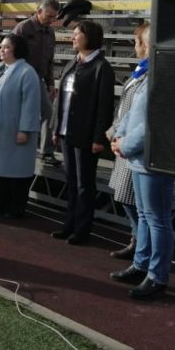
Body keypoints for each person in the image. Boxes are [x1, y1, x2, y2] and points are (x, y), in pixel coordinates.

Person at [109, 43, 175, 299]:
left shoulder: (163, 78)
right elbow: (132, 114)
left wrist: (125, 144)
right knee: (145, 216)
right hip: (138, 157)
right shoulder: (147, 75)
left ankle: (157, 276)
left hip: (153, 158)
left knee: (157, 219)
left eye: (140, 42)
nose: (137, 47)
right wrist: (118, 136)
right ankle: (141, 264)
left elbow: (152, 123)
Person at [50, 20, 115, 244]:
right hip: (67, 132)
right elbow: (61, 99)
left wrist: (99, 138)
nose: (73, 37)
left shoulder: (101, 67)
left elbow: (105, 106)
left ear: (89, 37)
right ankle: (69, 225)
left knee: (84, 184)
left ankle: (82, 229)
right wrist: (56, 127)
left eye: (77, 34)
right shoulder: (73, 62)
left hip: (86, 136)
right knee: (71, 181)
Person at [0, 34, 41, 218]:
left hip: (16, 131)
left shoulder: (27, 72)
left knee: (17, 171)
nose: (1, 50)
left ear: (17, 50)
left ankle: (16, 208)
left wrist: (24, 130)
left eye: (6, 47)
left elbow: (31, 104)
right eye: (1, 47)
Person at [106, 22, 150, 260]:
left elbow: (138, 114)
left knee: (130, 199)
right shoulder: (139, 72)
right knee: (126, 197)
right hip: (123, 140)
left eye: (136, 42)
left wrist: (120, 135)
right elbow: (127, 108)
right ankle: (137, 240)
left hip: (132, 144)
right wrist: (115, 130)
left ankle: (140, 244)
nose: (134, 47)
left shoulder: (149, 75)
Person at [12, 0, 59, 166]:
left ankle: (46, 152)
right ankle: (16, 146)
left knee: (48, 111)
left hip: (38, 79)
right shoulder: (23, 28)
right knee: (20, 113)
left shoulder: (50, 32)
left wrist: (51, 83)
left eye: (54, 17)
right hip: (21, 78)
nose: (52, 20)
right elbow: (10, 53)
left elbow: (50, 60)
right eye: (49, 16)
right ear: (39, 11)